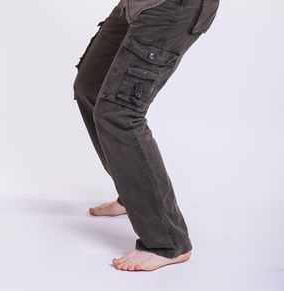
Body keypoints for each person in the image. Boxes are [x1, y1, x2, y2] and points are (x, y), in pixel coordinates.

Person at [73, 0, 219, 271]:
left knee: (120, 112)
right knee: (90, 86)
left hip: (172, 7)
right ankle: (134, 195)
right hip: (137, 3)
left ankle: (168, 242)